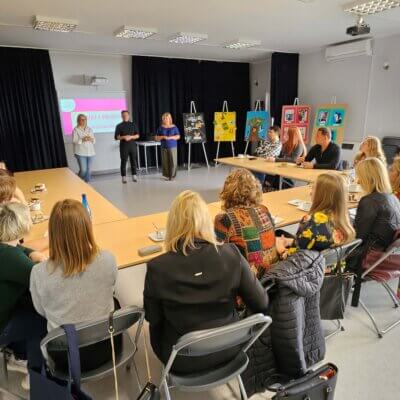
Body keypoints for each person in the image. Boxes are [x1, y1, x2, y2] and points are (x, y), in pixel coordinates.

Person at [144, 190, 269, 374]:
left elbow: (153, 319)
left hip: (181, 360)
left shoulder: (158, 267)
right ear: (206, 221)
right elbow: (261, 303)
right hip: (230, 349)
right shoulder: (231, 254)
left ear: (172, 224)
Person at [29, 199, 118, 371]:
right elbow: (112, 288)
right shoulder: (108, 259)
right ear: (87, 228)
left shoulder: (39, 273)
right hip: (107, 348)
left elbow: (41, 311)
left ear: (53, 234)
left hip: (66, 358)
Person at [0, 202, 47, 390]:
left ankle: (18, 351)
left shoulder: (6, 250)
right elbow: (44, 281)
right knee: (41, 320)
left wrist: (32, 252)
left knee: (28, 305)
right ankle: (34, 374)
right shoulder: (12, 259)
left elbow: (18, 250)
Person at [215, 169, 279, 279]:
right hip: (272, 276)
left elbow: (217, 256)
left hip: (248, 282)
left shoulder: (224, 219)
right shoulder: (264, 210)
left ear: (227, 191)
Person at [347, 158, 400, 276]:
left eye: (360, 176)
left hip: (365, 256)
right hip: (381, 252)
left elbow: (358, 237)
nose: (358, 181)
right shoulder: (393, 198)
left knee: (324, 240)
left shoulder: (369, 201)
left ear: (368, 178)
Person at [281, 173, 355, 256]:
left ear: (321, 194)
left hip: (309, 267)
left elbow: (295, 258)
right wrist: (291, 241)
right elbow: (316, 242)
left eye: (313, 188)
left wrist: (281, 249)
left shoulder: (312, 221)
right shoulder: (345, 217)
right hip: (333, 266)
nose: (310, 193)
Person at [114, 110, 140, 184]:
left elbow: (137, 135)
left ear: (129, 116)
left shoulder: (133, 124)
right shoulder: (119, 126)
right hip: (124, 146)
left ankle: (134, 175)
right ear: (122, 116)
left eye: (126, 115)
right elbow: (116, 137)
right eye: (123, 115)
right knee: (123, 161)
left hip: (132, 145)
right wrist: (124, 137)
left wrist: (131, 137)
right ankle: (124, 177)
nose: (125, 116)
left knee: (133, 161)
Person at [155, 113, 180, 181]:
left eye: (167, 118)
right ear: (163, 119)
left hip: (173, 146)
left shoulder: (174, 127)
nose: (166, 119)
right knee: (165, 162)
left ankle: (172, 175)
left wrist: (170, 137)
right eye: (165, 118)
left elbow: (178, 136)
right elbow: (156, 137)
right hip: (164, 146)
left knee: (173, 162)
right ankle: (167, 175)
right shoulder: (160, 127)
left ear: (170, 119)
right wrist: (163, 137)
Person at [72, 114, 96, 183]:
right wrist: (82, 139)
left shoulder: (90, 129)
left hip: (91, 152)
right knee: (83, 170)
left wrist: (91, 139)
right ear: (78, 121)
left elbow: (94, 141)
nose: (83, 121)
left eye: (84, 119)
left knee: (89, 171)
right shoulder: (75, 130)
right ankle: (78, 182)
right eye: (81, 119)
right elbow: (74, 141)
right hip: (80, 153)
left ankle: (86, 184)